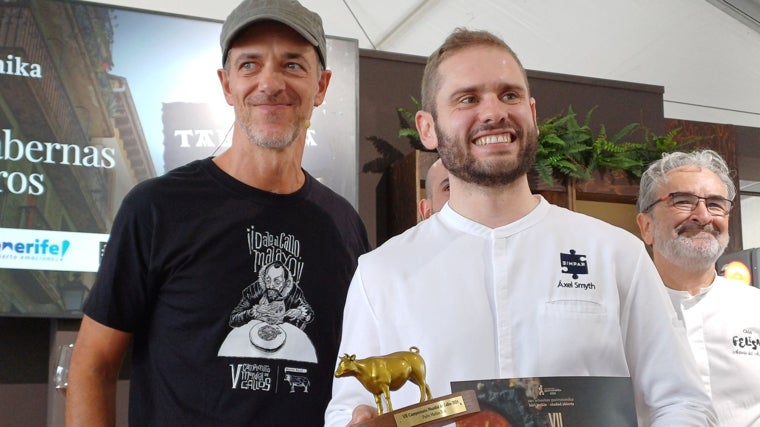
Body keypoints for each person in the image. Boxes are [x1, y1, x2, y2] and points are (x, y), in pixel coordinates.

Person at [325, 28, 716, 427]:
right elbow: (348, 410)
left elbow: (682, 403)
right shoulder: (382, 272)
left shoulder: (615, 254)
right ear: (427, 128)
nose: (494, 112)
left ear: (532, 113)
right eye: (468, 98)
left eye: (509, 95)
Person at [65, 0, 369, 425]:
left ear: (321, 87)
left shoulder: (344, 226)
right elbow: (92, 365)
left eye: (293, 65)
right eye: (249, 65)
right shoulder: (155, 208)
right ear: (227, 85)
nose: (270, 82)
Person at [635, 149, 760, 426]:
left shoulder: (756, 308)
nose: (702, 215)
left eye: (716, 204)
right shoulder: (619, 316)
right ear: (646, 227)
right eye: (682, 201)